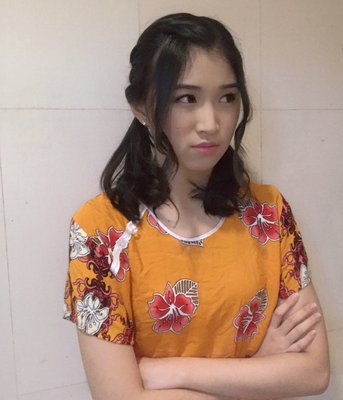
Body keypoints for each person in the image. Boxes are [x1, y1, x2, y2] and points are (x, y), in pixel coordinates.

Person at [63, 13, 329, 400]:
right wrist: (260, 369)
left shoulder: (268, 214)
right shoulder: (100, 232)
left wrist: (166, 372)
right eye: (186, 98)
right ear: (141, 107)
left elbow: (314, 372)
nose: (211, 123)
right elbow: (120, 397)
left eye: (227, 98)